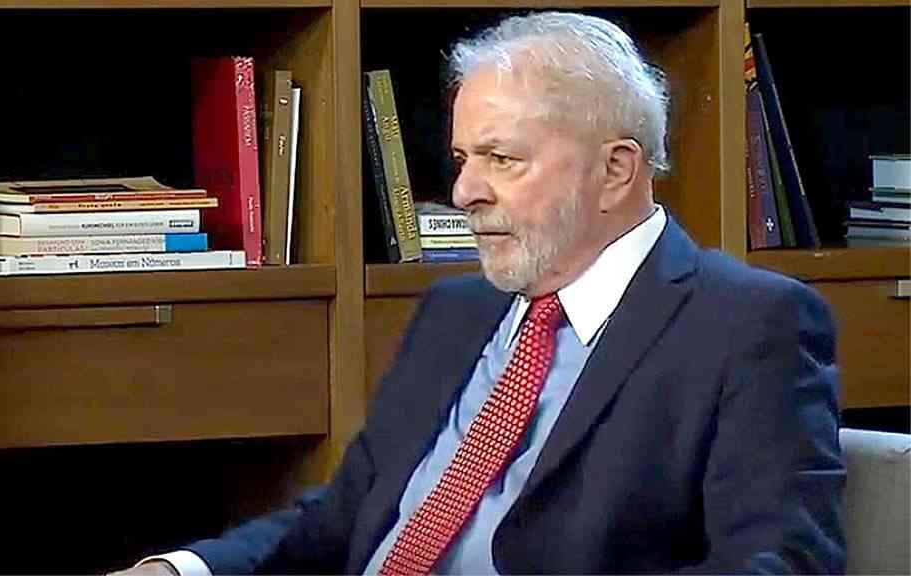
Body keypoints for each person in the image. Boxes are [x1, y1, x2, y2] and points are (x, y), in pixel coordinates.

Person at [118, 11, 845, 575]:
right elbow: (341, 522)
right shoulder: (454, 312)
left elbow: (781, 563)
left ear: (616, 171)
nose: (465, 191)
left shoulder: (750, 324)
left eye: (502, 159)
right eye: (464, 159)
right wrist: (184, 569)